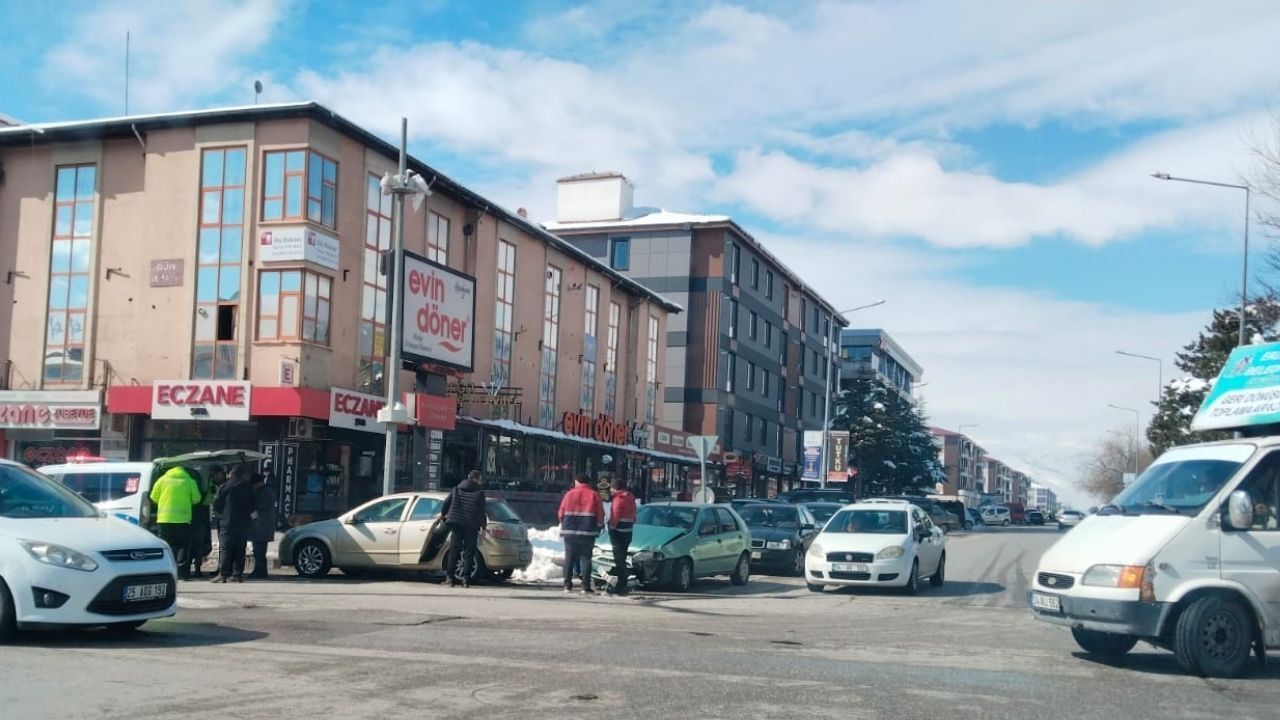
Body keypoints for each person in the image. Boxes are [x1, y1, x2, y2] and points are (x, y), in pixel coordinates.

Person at [149, 466, 202, 580]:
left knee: (166, 545)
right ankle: (181, 572)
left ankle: (165, 570)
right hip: (182, 519)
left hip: (164, 519)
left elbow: (153, 497)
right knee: (183, 545)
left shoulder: (162, 480)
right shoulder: (189, 481)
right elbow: (197, 499)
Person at [558, 473, 605, 595]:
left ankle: (567, 585)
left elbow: (561, 512)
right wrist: (599, 526)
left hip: (570, 531)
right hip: (587, 532)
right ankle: (585, 586)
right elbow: (600, 514)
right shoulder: (594, 495)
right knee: (586, 559)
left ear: (577, 482)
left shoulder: (569, 494)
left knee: (569, 558)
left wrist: (563, 523)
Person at [440, 470, 487, 588]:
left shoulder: (456, 489)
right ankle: (465, 579)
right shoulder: (479, 493)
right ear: (475, 479)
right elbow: (481, 511)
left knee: (454, 551)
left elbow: (446, 503)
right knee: (469, 552)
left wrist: (443, 515)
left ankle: (450, 578)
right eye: (480, 479)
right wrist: (483, 526)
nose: (481, 482)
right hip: (472, 525)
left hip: (457, 523)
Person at [212, 466, 255, 583]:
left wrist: (221, 516)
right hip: (243, 523)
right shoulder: (247, 487)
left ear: (231, 474)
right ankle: (237, 574)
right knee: (240, 549)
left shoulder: (225, 486)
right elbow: (253, 505)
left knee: (226, 548)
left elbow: (216, 504)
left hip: (228, 522)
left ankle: (223, 574)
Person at [606, 476, 637, 596]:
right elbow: (634, 516)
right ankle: (622, 582)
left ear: (615, 488)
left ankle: (621, 584)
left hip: (618, 532)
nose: (610, 490)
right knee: (622, 557)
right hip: (628, 531)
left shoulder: (619, 499)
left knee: (618, 559)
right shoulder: (630, 498)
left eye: (611, 488)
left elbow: (615, 515)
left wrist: (611, 527)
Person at [249, 472, 277, 579]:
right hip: (261, 527)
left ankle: (259, 570)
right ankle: (261, 570)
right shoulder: (265, 491)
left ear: (259, 482)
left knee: (259, 551)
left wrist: (253, 509)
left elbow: (261, 506)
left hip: (262, 527)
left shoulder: (266, 492)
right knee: (258, 551)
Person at [187, 466, 214, 578]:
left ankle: (185, 570)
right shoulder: (202, 491)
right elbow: (207, 501)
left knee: (188, 546)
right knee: (198, 547)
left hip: (186, 522)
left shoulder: (186, 489)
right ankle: (197, 570)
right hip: (199, 523)